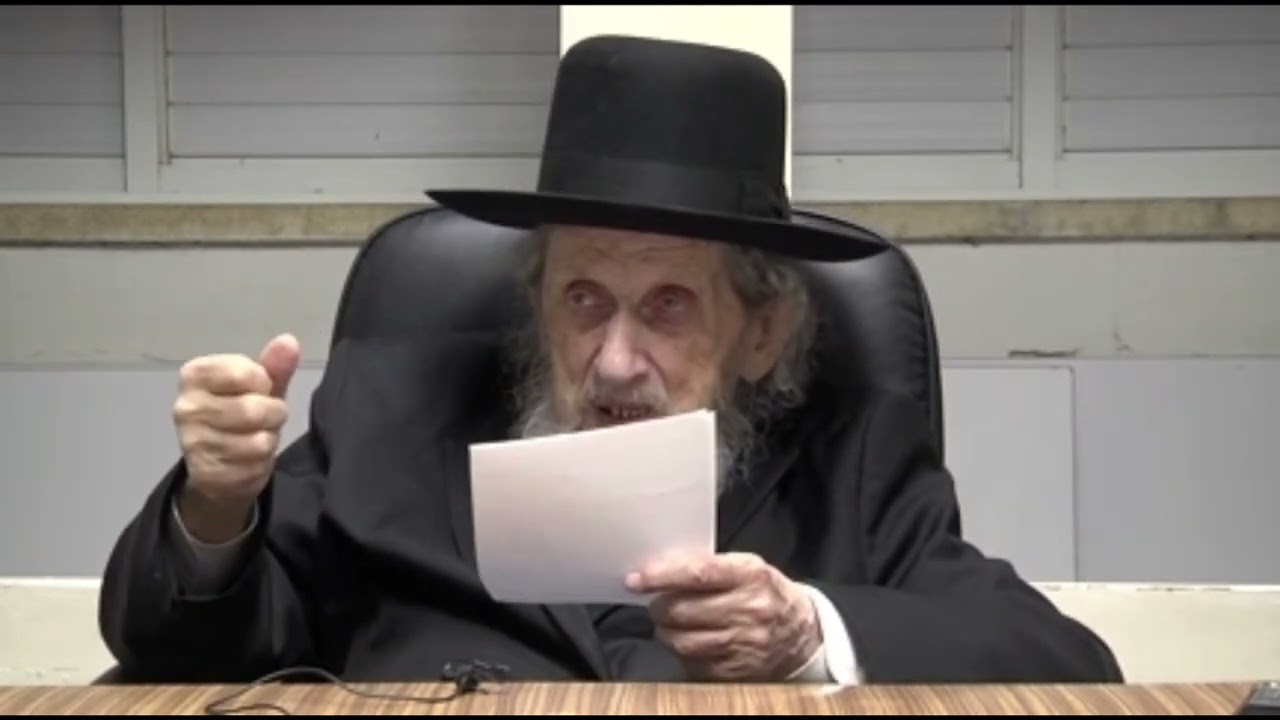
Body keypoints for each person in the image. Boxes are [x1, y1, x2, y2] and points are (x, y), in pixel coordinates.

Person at [98, 34, 1123, 686]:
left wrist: (809, 634)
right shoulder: (391, 408)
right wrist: (215, 510)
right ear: (537, 301)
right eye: (583, 299)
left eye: (668, 305)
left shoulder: (851, 461)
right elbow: (177, 656)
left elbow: (1068, 667)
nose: (616, 359)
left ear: (762, 332)